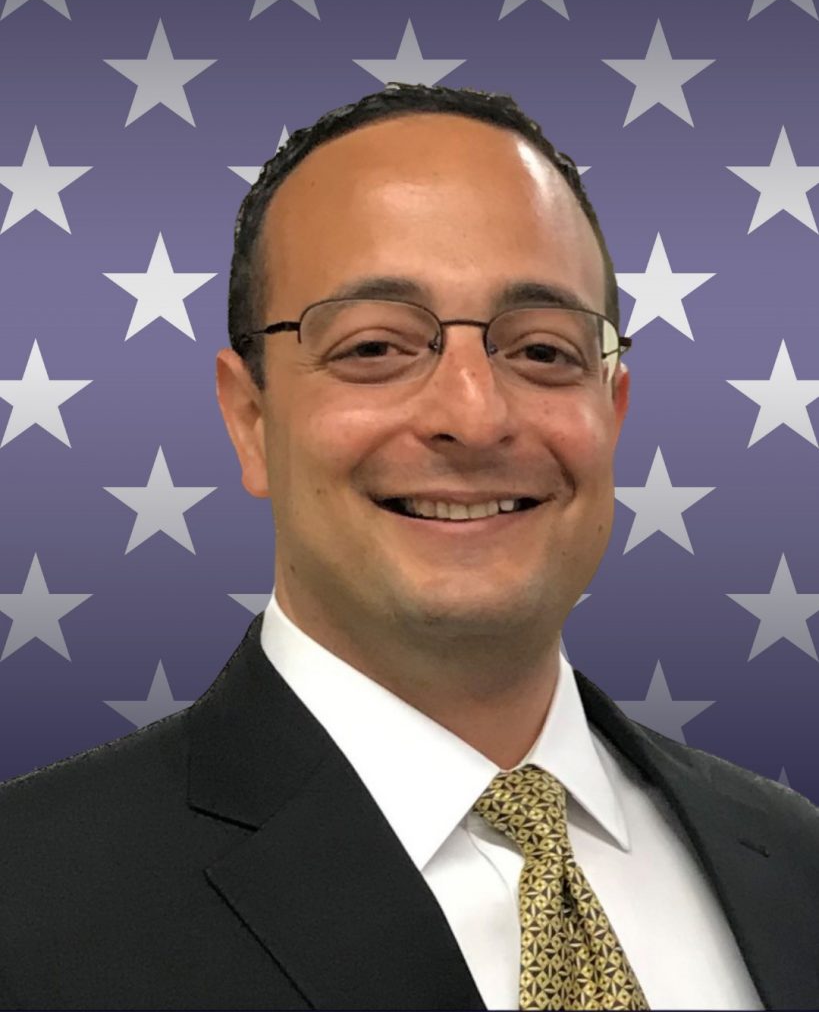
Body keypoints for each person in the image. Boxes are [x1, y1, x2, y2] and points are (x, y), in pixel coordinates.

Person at [0, 82, 817, 1012]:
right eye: (376, 348)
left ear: (611, 410)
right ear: (250, 419)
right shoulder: (27, 899)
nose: (474, 415)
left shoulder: (794, 861)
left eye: (542, 350)